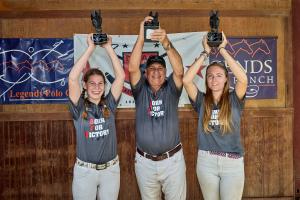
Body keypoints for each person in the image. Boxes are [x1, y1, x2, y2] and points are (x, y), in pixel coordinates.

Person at [183, 32, 248, 200]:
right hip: (207, 161)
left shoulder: (235, 100)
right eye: (210, 76)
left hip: (232, 162)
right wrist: (205, 53)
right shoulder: (201, 101)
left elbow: (243, 79)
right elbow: (186, 80)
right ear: (206, 80)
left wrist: (222, 50)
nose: (214, 79)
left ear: (226, 79)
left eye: (219, 76)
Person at [128, 16, 186, 200]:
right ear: (146, 73)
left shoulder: (172, 90)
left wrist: (165, 41)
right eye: (151, 69)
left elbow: (179, 71)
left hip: (172, 162)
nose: (156, 72)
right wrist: (141, 35)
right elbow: (132, 68)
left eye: (160, 69)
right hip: (145, 163)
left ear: (165, 73)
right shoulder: (140, 91)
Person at [68, 33, 125, 200]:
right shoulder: (79, 107)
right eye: (92, 83)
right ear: (84, 86)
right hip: (85, 172)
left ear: (104, 86)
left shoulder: (110, 104)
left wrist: (108, 47)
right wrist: (90, 48)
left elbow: (121, 76)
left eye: (100, 83)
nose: (96, 87)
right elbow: (72, 78)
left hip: (110, 171)